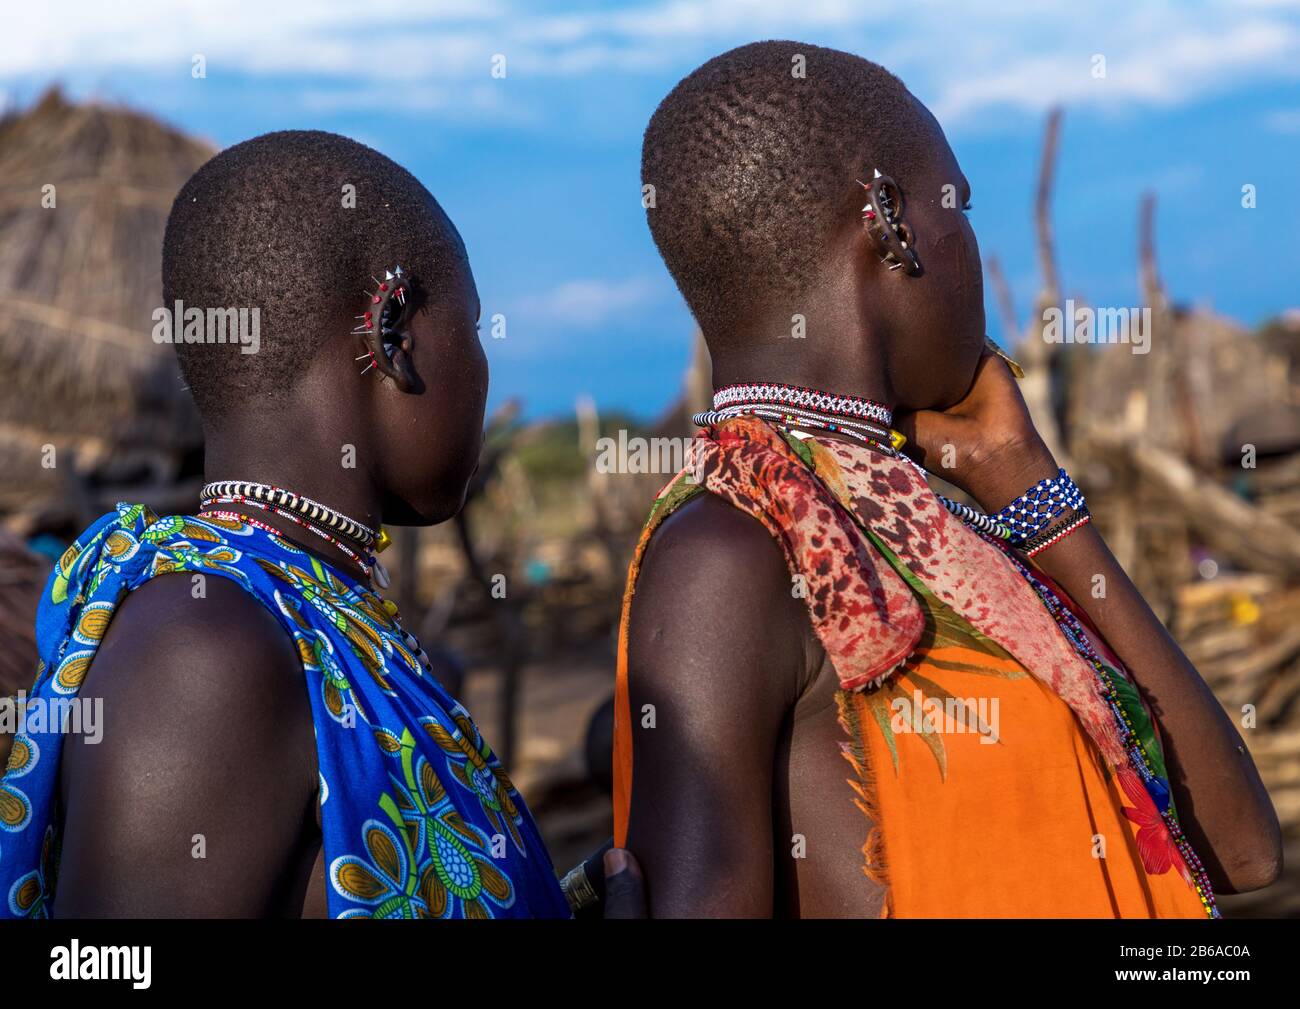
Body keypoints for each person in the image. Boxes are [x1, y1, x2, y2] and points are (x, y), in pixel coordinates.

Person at [613, 41, 1282, 917]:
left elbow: (1241, 850)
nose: (970, 243)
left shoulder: (930, 528)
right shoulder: (731, 550)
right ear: (889, 220)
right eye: (957, 209)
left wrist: (1030, 488)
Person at [0, 130, 640, 919]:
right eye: (471, 329)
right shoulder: (207, 649)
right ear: (394, 332)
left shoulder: (313, 612)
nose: (482, 368)